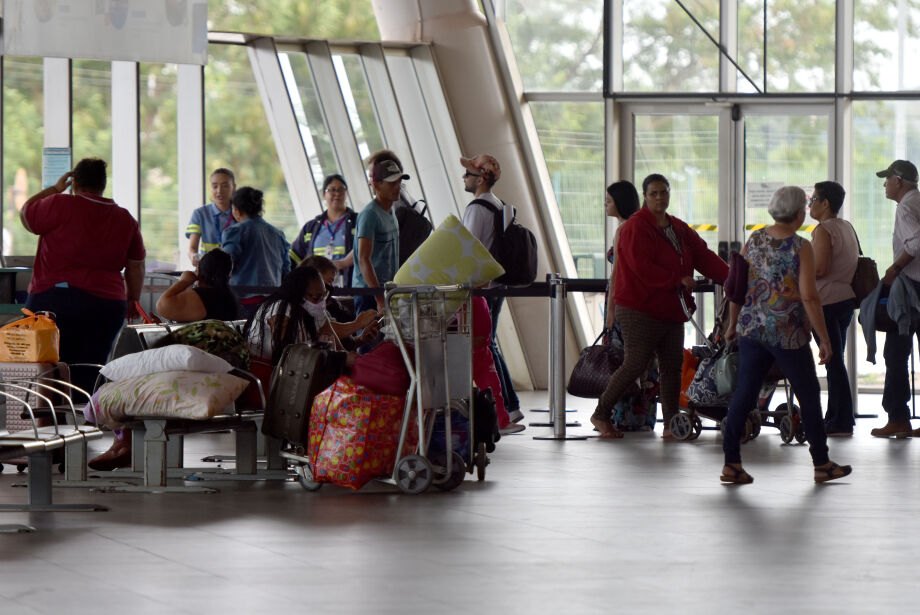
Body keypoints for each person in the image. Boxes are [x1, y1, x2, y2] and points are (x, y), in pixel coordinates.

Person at [721, 186, 852, 484]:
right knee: (808, 394)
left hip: (751, 329)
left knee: (745, 393)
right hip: (787, 333)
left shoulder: (755, 239)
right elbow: (809, 296)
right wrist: (825, 339)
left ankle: (731, 463)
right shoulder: (799, 246)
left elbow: (737, 286)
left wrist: (732, 323)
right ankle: (821, 463)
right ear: (798, 213)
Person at [591, 173, 728, 439]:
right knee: (635, 363)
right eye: (653, 193)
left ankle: (670, 423)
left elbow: (703, 255)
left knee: (672, 365)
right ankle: (601, 413)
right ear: (645, 196)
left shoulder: (677, 227)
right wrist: (676, 279)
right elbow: (641, 268)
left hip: (671, 308)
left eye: (663, 192)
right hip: (639, 308)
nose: (659, 198)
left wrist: (732, 276)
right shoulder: (634, 227)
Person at [93, 249, 239, 470]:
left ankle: (121, 443)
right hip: (214, 367)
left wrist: (183, 281)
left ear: (200, 271)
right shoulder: (228, 299)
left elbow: (164, 304)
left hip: (193, 371)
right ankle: (121, 444)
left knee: (126, 376)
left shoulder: (201, 296)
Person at [20, 157, 145, 394]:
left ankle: (51, 423)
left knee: (47, 367)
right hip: (106, 306)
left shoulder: (59, 203)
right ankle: (87, 419)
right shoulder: (125, 219)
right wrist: (132, 301)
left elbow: (27, 216)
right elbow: (136, 266)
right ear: (103, 184)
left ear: (74, 183)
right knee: (92, 368)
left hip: (55, 300)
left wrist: (55, 189)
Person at [460, 153, 523, 425]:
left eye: (469, 174)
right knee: (490, 345)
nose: (464, 178)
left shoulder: (476, 208)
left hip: (482, 287)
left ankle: (506, 407)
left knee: (485, 347)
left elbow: (468, 248)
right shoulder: (498, 204)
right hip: (497, 284)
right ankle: (510, 405)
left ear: (482, 178)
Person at [871, 160, 920, 437]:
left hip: (911, 287)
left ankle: (898, 417)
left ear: (899, 180)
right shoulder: (918, 201)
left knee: (895, 353)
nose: (884, 184)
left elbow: (915, 242)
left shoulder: (905, 207)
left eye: (887, 179)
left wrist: (896, 267)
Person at [809, 181, 859, 437]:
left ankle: (840, 420)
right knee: (836, 360)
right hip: (845, 300)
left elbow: (820, 269)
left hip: (826, 302)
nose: (809, 205)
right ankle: (838, 417)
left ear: (825, 203)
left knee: (833, 361)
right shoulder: (846, 227)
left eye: (812, 200)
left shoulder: (823, 230)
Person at [244, 265, 355, 368]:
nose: (322, 303)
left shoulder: (314, 308)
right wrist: (329, 355)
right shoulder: (281, 310)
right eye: (316, 297)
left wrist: (342, 355)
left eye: (324, 295)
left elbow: (338, 346)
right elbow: (285, 356)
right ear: (298, 294)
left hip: (298, 372)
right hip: (269, 372)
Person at [221, 186, 291, 319]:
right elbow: (286, 271)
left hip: (244, 304)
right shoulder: (278, 234)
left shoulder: (235, 232)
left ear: (237, 211)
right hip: (273, 305)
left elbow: (226, 266)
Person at [352, 152, 405, 315]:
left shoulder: (390, 211)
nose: (397, 187)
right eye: (391, 183)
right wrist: (379, 299)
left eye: (399, 181)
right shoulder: (370, 214)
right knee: (370, 339)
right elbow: (363, 259)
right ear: (376, 185)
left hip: (386, 290)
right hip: (369, 293)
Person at [300, 254, 381, 350]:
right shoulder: (300, 305)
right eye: (329, 281)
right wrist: (358, 323)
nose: (330, 287)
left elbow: (340, 346)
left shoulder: (324, 306)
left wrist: (361, 339)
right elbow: (326, 330)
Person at [289, 174, 358, 286]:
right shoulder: (311, 227)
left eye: (341, 189)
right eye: (332, 190)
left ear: (346, 193)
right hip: (316, 290)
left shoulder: (358, 221)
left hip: (350, 288)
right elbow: (293, 257)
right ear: (324, 195)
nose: (337, 194)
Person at [156, 248, 239, 322]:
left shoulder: (204, 297)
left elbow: (162, 305)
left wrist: (184, 281)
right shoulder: (229, 297)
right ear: (229, 274)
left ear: (199, 271)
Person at [603, 180, 641, 333]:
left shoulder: (623, 230)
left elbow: (617, 273)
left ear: (620, 202)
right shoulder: (637, 226)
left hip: (622, 297)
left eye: (609, 201)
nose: (605, 204)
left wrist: (611, 310)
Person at [185, 168, 237, 266]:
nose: (219, 191)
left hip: (235, 271)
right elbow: (192, 248)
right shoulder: (200, 214)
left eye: (225, 186)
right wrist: (194, 256)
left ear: (233, 187)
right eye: (215, 186)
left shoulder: (240, 213)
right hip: (208, 271)